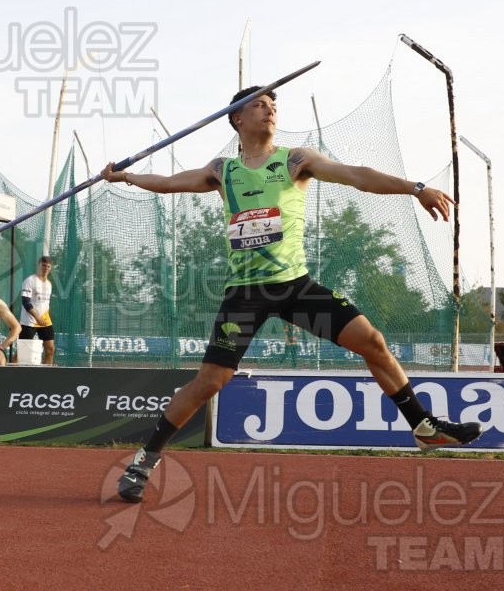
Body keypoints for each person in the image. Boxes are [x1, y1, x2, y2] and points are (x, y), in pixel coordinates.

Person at [102, 85, 484, 503]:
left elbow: (357, 176)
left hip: (295, 288)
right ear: (236, 118)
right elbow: (172, 182)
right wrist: (128, 176)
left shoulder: (295, 160)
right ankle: (144, 459)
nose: (269, 110)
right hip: (245, 294)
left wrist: (415, 188)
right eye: (259, 105)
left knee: (372, 341)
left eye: (273, 105)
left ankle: (424, 427)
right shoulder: (222, 170)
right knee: (210, 381)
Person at [14, 255, 55, 365]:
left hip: (45, 321)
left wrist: (43, 318)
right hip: (29, 322)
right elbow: (26, 302)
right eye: (44, 265)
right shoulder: (30, 281)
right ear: (38, 266)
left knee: (50, 350)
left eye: (48, 266)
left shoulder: (49, 284)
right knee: (22, 353)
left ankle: (47, 375)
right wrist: (37, 317)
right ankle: (10, 372)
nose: (46, 268)